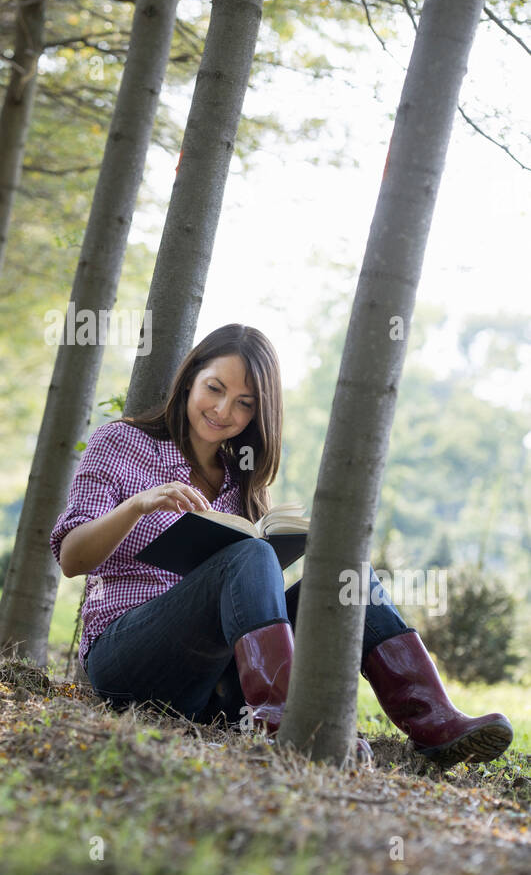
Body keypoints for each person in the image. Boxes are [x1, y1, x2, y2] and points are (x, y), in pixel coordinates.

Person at [50, 323, 513, 770]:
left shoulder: (241, 481)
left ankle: (435, 723)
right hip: (128, 661)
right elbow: (72, 559)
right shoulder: (122, 441)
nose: (223, 410)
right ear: (190, 377)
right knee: (249, 554)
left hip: (216, 683)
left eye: (244, 403)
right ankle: (288, 726)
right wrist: (137, 506)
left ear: (258, 413)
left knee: (344, 579)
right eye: (214, 388)